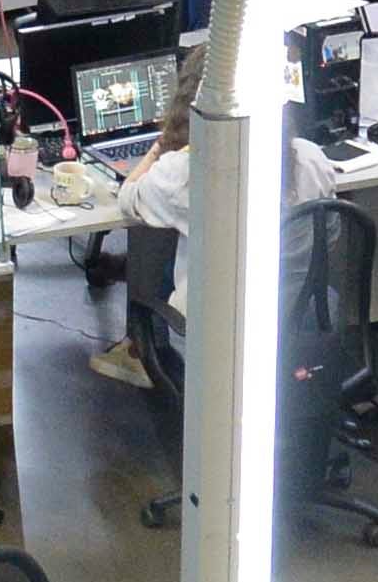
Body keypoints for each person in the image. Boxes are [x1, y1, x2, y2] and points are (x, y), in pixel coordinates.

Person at [91, 96, 339, 389]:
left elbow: (128, 196)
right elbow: (330, 235)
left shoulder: (185, 172)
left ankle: (140, 351)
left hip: (222, 319)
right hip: (302, 307)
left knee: (175, 238)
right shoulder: (311, 158)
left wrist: (163, 143)